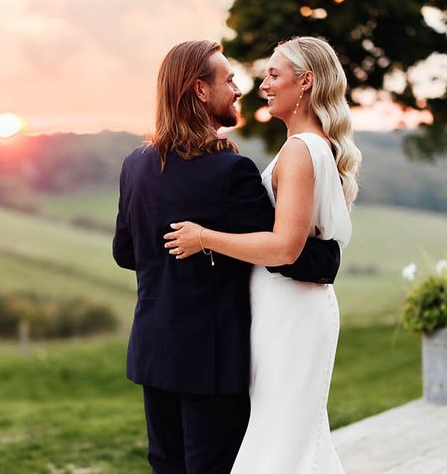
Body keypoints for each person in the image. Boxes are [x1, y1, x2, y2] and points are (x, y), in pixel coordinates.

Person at [113, 40, 342, 474]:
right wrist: (331, 254)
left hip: (154, 351)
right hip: (212, 362)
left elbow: (126, 253)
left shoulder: (135, 164)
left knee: (167, 465)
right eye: (228, 79)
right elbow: (287, 255)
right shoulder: (229, 171)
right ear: (200, 91)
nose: (240, 89)